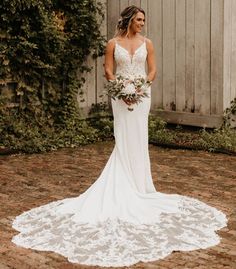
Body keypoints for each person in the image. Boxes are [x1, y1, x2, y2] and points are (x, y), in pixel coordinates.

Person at [11, 5, 227, 268]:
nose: (142, 24)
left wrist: (140, 87)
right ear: (128, 20)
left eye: (144, 20)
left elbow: (152, 71)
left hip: (141, 96)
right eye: (138, 19)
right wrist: (121, 89)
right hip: (121, 98)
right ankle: (124, 181)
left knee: (140, 138)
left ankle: (140, 186)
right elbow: (108, 71)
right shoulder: (113, 43)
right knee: (124, 138)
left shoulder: (148, 43)